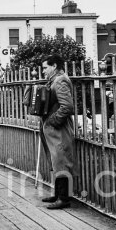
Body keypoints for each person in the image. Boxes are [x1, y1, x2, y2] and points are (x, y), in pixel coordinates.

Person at [39, 54, 76, 209]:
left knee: (61, 161)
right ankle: (58, 194)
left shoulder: (60, 81)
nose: (43, 71)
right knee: (56, 161)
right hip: (54, 130)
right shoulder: (55, 80)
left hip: (59, 129)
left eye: (45, 68)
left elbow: (67, 106)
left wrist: (53, 121)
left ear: (54, 66)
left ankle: (64, 198)